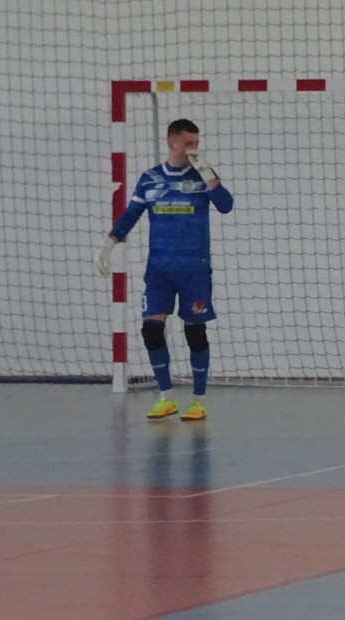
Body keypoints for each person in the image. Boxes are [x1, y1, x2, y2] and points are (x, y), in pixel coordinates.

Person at [94, 119, 234, 420]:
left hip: (194, 269)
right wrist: (108, 243)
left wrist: (209, 175)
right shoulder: (150, 179)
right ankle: (166, 397)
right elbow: (130, 215)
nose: (194, 149)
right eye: (189, 143)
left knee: (195, 333)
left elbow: (225, 205)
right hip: (159, 270)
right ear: (173, 143)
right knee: (151, 330)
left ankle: (198, 400)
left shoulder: (203, 176)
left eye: (197, 143)